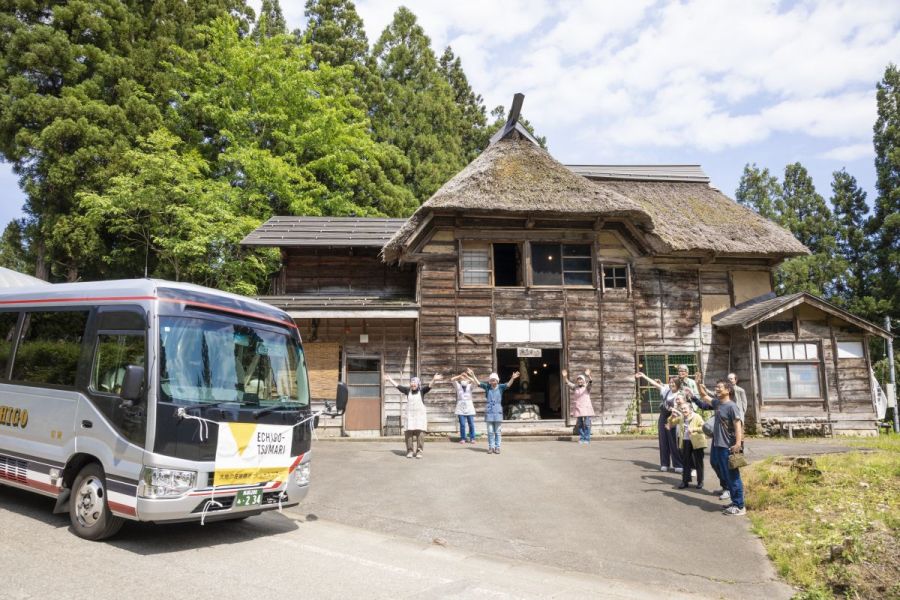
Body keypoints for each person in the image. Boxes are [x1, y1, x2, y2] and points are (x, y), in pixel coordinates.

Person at [693, 380, 746, 515]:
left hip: (728, 445)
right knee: (715, 464)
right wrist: (698, 384)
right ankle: (733, 499)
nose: (716, 389)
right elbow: (704, 396)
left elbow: (738, 426)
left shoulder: (731, 406)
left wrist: (738, 444)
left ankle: (739, 506)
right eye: (716, 387)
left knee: (733, 475)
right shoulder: (718, 404)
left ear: (728, 390)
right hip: (717, 444)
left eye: (719, 387)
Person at [385, 373, 442, 459]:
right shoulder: (408, 391)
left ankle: (419, 451)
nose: (413, 384)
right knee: (408, 435)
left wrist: (434, 379)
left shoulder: (422, 391)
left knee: (420, 435)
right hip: (410, 417)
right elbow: (398, 386)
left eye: (415, 383)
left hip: (419, 417)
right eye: (412, 383)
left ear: (418, 384)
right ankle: (410, 451)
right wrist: (390, 380)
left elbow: (429, 386)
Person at [635, 372, 683, 472]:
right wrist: (643, 376)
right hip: (663, 417)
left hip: (674, 418)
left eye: (673, 382)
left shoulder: (680, 394)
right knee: (663, 440)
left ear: (678, 384)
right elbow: (655, 384)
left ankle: (678, 464)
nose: (671, 384)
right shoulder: (666, 390)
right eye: (670, 382)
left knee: (674, 441)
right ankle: (664, 463)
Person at [469, 368, 519, 454]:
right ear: (489, 381)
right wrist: (473, 375)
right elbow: (478, 383)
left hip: (498, 411)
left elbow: (508, 385)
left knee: (498, 431)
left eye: (494, 380)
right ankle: (491, 447)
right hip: (489, 412)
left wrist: (512, 378)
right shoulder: (487, 387)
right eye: (491, 380)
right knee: (490, 431)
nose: (493, 382)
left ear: (497, 381)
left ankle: (497, 447)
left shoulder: (501, 387)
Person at [667, 397, 707, 489]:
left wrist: (694, 429)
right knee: (685, 462)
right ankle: (685, 481)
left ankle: (700, 481)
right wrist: (672, 416)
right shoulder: (681, 417)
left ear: (690, 409)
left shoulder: (697, 417)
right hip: (685, 441)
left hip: (697, 442)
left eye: (685, 408)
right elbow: (671, 423)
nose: (683, 410)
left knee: (698, 462)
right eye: (682, 409)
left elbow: (704, 428)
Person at [562, 368, 594, 444]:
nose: (580, 381)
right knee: (579, 424)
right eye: (578, 380)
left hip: (586, 407)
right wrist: (565, 377)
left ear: (583, 380)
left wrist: (589, 375)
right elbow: (567, 383)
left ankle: (587, 439)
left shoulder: (587, 387)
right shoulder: (575, 387)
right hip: (578, 407)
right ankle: (582, 438)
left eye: (581, 379)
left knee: (587, 424)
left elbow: (591, 382)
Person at [451, 372, 477, 444]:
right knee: (462, 424)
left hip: (469, 406)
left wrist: (467, 377)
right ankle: (463, 438)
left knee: (471, 423)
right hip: (460, 406)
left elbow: (475, 381)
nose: (463, 379)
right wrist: (460, 376)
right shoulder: (458, 386)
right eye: (462, 379)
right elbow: (452, 379)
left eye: (464, 378)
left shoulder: (470, 386)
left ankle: (472, 438)